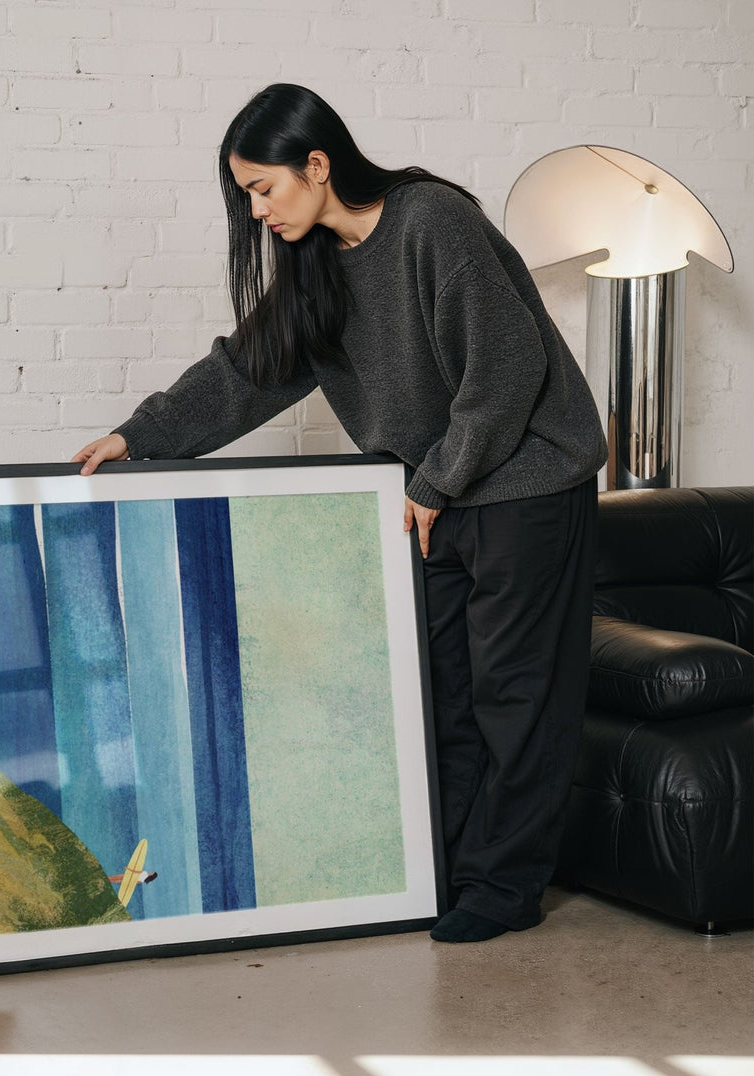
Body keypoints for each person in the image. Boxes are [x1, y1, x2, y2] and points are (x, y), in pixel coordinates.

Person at [72, 83, 608, 943]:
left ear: (317, 165)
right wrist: (141, 435)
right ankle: (451, 872)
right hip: (437, 492)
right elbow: (249, 370)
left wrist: (436, 481)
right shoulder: (317, 263)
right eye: (245, 195)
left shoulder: (432, 222)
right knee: (444, 695)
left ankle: (504, 888)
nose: (256, 212)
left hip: (525, 479)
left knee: (517, 694)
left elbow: (505, 371)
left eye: (264, 189)